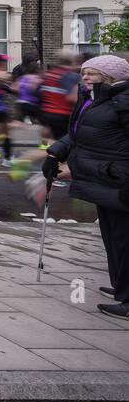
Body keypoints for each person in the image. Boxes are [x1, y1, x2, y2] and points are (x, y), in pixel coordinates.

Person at [43, 54, 129, 320]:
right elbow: (80, 132)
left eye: (91, 73)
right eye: (84, 73)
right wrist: (55, 152)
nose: (84, 77)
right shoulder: (97, 100)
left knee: (125, 241)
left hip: (119, 180)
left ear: (110, 76)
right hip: (105, 181)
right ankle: (120, 286)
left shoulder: (122, 101)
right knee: (112, 237)